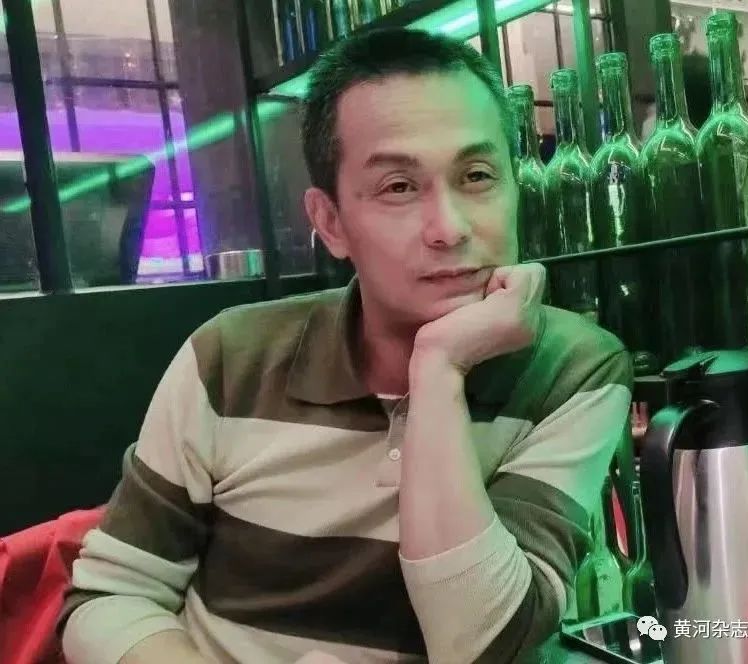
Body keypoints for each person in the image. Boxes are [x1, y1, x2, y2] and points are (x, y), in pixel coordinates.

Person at [58, 28, 633, 664]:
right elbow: (108, 598)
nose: (450, 229)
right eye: (398, 187)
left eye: (476, 176)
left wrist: (438, 370)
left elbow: (488, 645)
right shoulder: (229, 358)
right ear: (330, 222)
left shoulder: (574, 370)